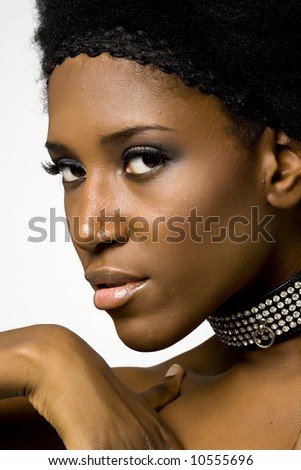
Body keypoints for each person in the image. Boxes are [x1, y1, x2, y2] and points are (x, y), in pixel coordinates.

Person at [1, 0, 301, 449]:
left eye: (144, 159)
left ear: (280, 167)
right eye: (70, 170)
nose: (88, 229)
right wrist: (40, 355)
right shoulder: (98, 417)